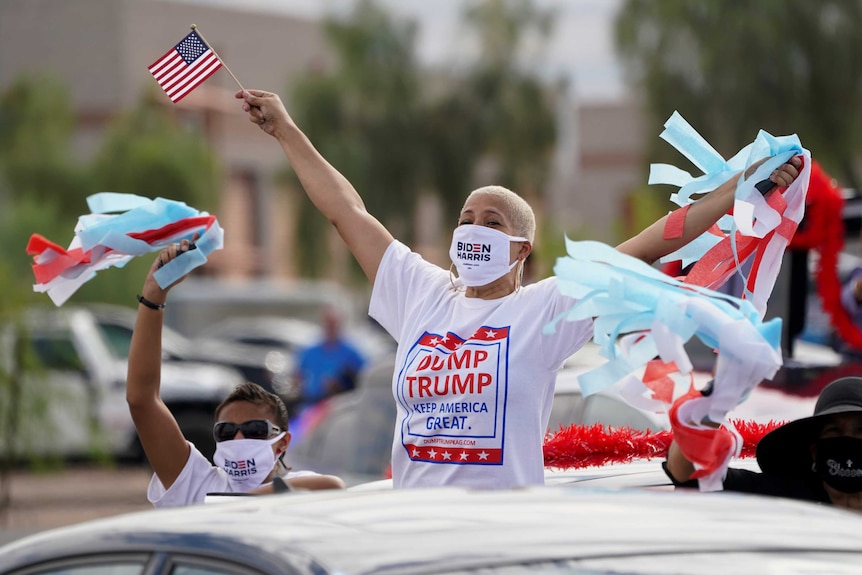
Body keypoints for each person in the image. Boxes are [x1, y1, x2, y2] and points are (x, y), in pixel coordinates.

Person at [235, 88, 802, 489]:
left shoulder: (545, 306)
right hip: (408, 538)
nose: (473, 227)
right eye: (466, 216)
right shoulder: (421, 293)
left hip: (503, 541)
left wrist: (735, 191)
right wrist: (286, 130)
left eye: (493, 221)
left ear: (523, 250)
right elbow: (346, 211)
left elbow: (650, 244)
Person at [127, 240, 345, 508]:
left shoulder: (300, 490)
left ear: (282, 442)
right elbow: (142, 400)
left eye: (255, 430)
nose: (239, 439)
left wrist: (235, 503)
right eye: (226, 432)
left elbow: (332, 487)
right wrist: (153, 294)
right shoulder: (196, 485)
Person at [664, 376, 862, 511]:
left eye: (861, 432)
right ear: (814, 451)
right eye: (834, 431)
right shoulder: (781, 499)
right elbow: (690, 475)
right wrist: (717, 397)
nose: (848, 440)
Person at [296, 307, 366, 411]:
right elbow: (298, 377)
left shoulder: (351, 353)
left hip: (339, 407)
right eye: (328, 324)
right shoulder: (310, 351)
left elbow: (363, 378)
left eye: (333, 325)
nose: (331, 328)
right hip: (311, 406)